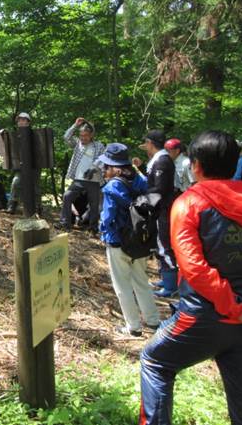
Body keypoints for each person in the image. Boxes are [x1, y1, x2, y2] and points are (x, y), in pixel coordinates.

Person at [139, 130, 242, 425]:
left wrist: (236, 307)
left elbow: (195, 268)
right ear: (235, 163)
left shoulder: (189, 203)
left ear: (195, 165)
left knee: (155, 361)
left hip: (201, 318)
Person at [98, 143, 160, 337]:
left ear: (113, 167)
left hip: (117, 241)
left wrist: (101, 230)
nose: (103, 170)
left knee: (122, 286)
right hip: (140, 241)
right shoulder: (139, 181)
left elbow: (108, 218)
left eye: (105, 166)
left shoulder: (111, 187)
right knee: (141, 282)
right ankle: (153, 321)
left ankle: (133, 327)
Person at [133, 130, 177, 297]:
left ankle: (171, 285)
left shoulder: (163, 162)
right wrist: (142, 167)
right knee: (160, 244)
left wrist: (141, 203)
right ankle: (166, 280)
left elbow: (159, 189)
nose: (145, 147)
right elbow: (155, 182)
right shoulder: (158, 161)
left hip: (162, 210)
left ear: (150, 143)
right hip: (159, 209)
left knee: (164, 245)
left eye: (146, 144)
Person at [55, 117, 105, 233]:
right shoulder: (78, 144)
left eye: (85, 136)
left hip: (94, 180)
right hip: (78, 179)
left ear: (91, 135)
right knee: (67, 196)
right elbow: (66, 137)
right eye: (81, 135)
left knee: (94, 205)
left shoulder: (99, 146)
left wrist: (93, 168)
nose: (83, 138)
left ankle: (93, 228)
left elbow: (102, 159)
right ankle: (65, 223)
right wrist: (75, 125)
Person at [6, 112, 42, 216]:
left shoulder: (35, 134)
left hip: (34, 166)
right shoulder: (16, 135)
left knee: (35, 186)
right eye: (19, 120)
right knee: (16, 183)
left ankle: (37, 207)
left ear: (28, 122)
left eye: (23, 120)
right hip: (21, 166)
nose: (20, 122)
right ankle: (12, 204)